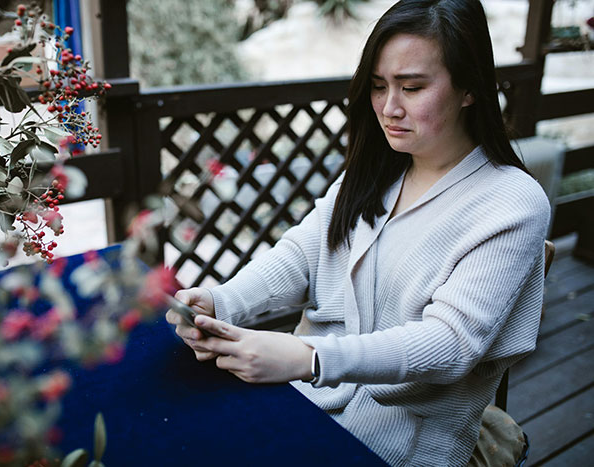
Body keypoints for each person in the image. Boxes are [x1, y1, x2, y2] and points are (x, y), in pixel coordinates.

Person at [165, 0, 551, 465]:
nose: (389, 108)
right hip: (308, 403)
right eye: (378, 86)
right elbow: (302, 255)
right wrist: (221, 301)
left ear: (469, 88)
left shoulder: (511, 202)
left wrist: (308, 357)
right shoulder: (376, 172)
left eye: (412, 87)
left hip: (405, 443)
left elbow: (450, 343)